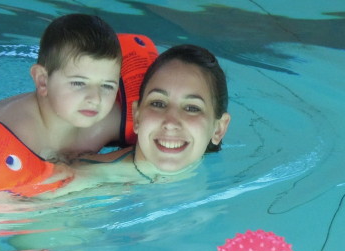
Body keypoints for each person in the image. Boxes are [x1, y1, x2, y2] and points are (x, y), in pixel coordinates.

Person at [0, 13, 147, 196]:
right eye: (78, 83)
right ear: (42, 81)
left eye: (107, 86)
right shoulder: (18, 136)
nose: (96, 98)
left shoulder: (108, 121)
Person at [56, 43, 232, 192]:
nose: (171, 123)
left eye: (192, 108)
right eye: (158, 103)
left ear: (219, 129)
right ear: (137, 117)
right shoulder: (78, 181)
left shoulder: (222, 179)